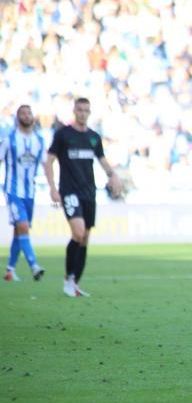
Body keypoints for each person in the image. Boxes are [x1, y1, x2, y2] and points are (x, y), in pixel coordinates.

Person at [44, 98, 122, 297]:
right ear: (74, 111)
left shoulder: (94, 137)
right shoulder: (63, 135)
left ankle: (75, 283)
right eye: (79, 110)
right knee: (78, 233)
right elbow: (50, 161)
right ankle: (68, 279)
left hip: (89, 192)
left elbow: (102, 161)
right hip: (70, 191)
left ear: (89, 112)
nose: (83, 113)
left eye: (86, 110)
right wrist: (53, 188)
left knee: (85, 238)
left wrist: (113, 176)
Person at [0, 105, 46, 282]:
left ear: (33, 117)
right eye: (23, 113)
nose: (26, 116)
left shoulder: (39, 140)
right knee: (23, 227)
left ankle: (10, 270)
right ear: (18, 118)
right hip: (13, 191)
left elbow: (46, 165)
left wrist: (52, 187)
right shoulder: (9, 140)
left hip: (30, 193)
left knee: (19, 232)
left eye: (29, 113)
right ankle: (34, 266)